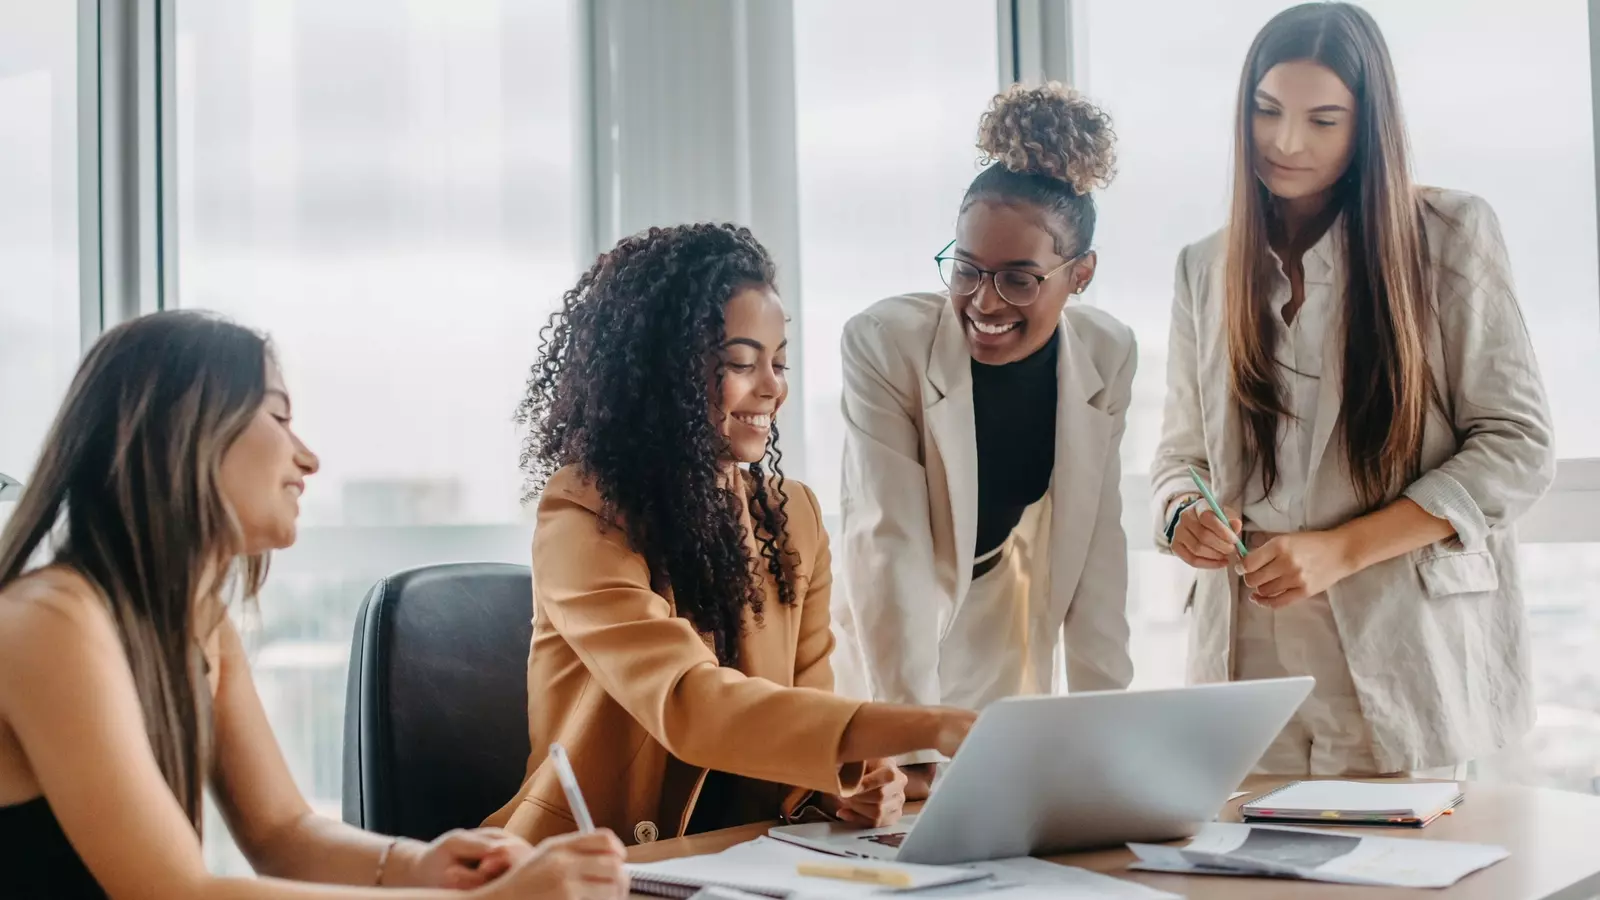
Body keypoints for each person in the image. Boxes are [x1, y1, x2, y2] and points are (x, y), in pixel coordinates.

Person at [0, 311, 629, 899]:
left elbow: (281, 831)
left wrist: (419, 865)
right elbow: (175, 892)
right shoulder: (53, 621)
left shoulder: (200, 626)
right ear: (185, 429)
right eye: (278, 419)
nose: (307, 457)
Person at [1153, 2, 1555, 777]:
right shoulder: (1204, 267)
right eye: (1266, 111)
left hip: (1404, 663)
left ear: (1370, 125)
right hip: (1248, 677)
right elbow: (1181, 454)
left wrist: (1342, 550)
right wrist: (1182, 513)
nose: (1286, 142)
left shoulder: (1449, 234)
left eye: (1323, 119)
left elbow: (1519, 446)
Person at [486, 223, 977, 846]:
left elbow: (801, 716)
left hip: (746, 863)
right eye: (742, 363)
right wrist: (928, 725)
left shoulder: (792, 518)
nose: (771, 386)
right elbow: (688, 702)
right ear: (665, 375)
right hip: (598, 865)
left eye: (779, 362)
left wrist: (847, 781)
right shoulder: (583, 514)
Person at [834, 83, 1136, 797]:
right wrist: (909, 742)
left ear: (1081, 274)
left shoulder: (1109, 352)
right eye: (966, 270)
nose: (985, 301)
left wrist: (1119, 743)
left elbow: (1099, 552)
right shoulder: (884, 343)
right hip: (889, 649)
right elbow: (891, 547)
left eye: (1020, 279)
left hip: (1002, 642)